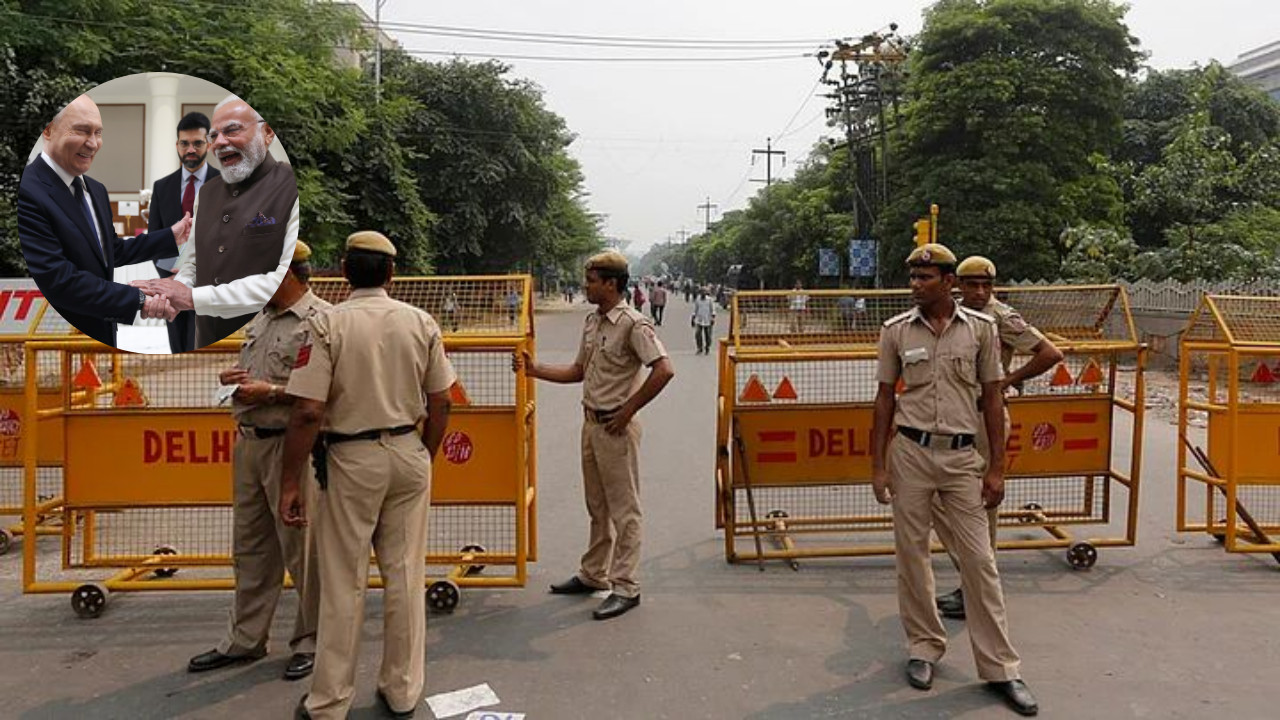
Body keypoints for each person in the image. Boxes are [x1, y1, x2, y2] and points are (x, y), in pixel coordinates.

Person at [279, 230, 454, 720]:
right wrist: (423, 453)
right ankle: (402, 691)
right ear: (391, 273)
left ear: (343, 271)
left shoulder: (326, 324)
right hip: (407, 451)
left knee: (343, 580)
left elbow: (308, 411)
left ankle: (330, 700)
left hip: (349, 457)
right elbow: (442, 401)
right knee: (405, 575)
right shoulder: (420, 322)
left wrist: (290, 482)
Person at [870, 243, 1038, 716]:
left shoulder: (982, 330)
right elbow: (884, 399)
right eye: (913, 277)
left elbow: (993, 398)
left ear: (948, 282)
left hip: (963, 458)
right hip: (910, 453)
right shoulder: (895, 332)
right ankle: (924, 647)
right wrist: (878, 466)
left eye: (925, 277)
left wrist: (997, 467)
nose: (915, 285)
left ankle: (1001, 667)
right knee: (912, 556)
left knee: (980, 561)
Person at [187, 240, 327, 681]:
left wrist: (271, 393)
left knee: (303, 549)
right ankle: (245, 639)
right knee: (250, 548)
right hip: (250, 442)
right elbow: (259, 375)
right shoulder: (262, 320)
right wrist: (232, 381)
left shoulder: (320, 322)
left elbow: (325, 393)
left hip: (292, 446)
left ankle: (313, 640)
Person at [516, 251, 674, 620]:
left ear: (611, 284)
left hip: (616, 428)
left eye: (591, 281)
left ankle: (626, 586)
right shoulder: (593, 321)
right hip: (591, 424)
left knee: (625, 510)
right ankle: (593, 573)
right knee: (597, 506)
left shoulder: (634, 324)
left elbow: (664, 369)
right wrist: (534, 369)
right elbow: (579, 371)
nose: (585, 286)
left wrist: (628, 409)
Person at [934, 256, 1064, 621]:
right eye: (972, 284)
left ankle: (978, 589)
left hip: (983, 418)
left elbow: (1050, 353)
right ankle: (974, 581)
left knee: (982, 504)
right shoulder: (953, 314)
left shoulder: (1001, 317)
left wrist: (1006, 382)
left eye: (986, 285)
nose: (980, 292)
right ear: (956, 285)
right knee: (940, 498)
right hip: (952, 419)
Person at [17, 94, 191, 347]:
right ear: (48, 130)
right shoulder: (28, 191)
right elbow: (58, 278)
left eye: (98, 133)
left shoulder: (95, 190)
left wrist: (170, 237)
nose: (93, 143)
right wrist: (138, 299)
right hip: (57, 340)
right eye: (81, 131)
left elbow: (110, 250)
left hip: (102, 335)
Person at [133, 94, 298, 348]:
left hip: (264, 338)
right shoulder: (208, 193)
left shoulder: (289, 187)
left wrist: (192, 297)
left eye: (232, 130)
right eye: (215, 135)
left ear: (267, 132)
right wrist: (172, 290)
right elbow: (193, 262)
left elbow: (283, 278)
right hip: (207, 340)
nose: (220, 142)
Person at [148, 111, 220, 353]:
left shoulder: (226, 185)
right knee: (178, 350)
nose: (191, 149)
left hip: (210, 288)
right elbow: (154, 239)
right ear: (177, 145)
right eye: (184, 143)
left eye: (197, 143)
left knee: (203, 351)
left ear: (209, 144)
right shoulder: (161, 187)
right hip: (171, 283)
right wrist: (173, 277)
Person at [692, 286, 716, 354]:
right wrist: (693, 318)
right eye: (702, 292)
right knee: (697, 334)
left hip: (708, 319)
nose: (703, 293)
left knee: (708, 335)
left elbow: (713, 309)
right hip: (699, 320)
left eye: (704, 292)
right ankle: (699, 348)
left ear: (706, 293)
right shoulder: (698, 299)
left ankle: (707, 347)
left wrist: (713, 318)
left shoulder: (710, 300)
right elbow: (695, 309)